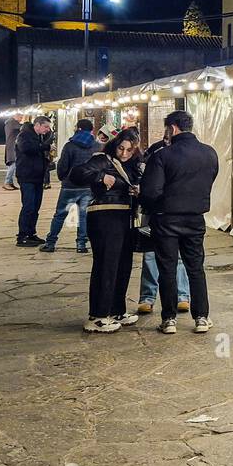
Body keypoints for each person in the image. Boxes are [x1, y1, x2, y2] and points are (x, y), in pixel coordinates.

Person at [140, 110, 219, 335]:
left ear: (172, 128)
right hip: (195, 218)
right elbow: (211, 179)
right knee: (196, 268)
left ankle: (169, 319)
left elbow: (151, 191)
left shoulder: (163, 156)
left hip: (166, 219)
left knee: (167, 268)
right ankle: (202, 317)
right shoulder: (209, 153)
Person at [71, 129, 143, 333]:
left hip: (124, 219)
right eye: (122, 148)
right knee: (106, 266)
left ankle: (116, 310)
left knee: (122, 266)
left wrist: (136, 191)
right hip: (104, 218)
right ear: (115, 145)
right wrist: (101, 177)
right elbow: (77, 173)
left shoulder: (132, 165)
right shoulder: (103, 160)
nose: (125, 153)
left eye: (130, 149)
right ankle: (98, 315)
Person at [135, 134, 191, 315]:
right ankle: (148, 297)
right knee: (151, 254)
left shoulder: (181, 156)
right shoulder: (156, 153)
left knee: (177, 255)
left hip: (171, 212)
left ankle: (181, 296)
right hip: (155, 212)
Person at [40, 118, 98, 253]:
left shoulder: (70, 146)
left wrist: (63, 177)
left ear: (78, 129)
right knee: (83, 216)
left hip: (70, 186)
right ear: (91, 130)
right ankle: (81, 244)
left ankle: (51, 243)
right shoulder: (96, 146)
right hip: (88, 186)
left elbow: (62, 166)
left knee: (60, 214)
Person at [14, 115, 54, 245]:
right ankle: (22, 235)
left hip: (37, 176)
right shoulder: (24, 135)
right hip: (27, 176)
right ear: (37, 125)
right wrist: (45, 147)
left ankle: (31, 233)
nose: (48, 129)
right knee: (28, 206)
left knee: (36, 207)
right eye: (46, 127)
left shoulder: (40, 136)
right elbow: (26, 149)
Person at [2, 113, 23, 190]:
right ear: (15, 116)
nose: (21, 119)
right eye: (20, 117)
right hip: (12, 147)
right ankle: (7, 182)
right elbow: (22, 128)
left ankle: (10, 183)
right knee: (13, 164)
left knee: (13, 164)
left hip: (11, 146)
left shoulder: (10, 122)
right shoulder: (12, 122)